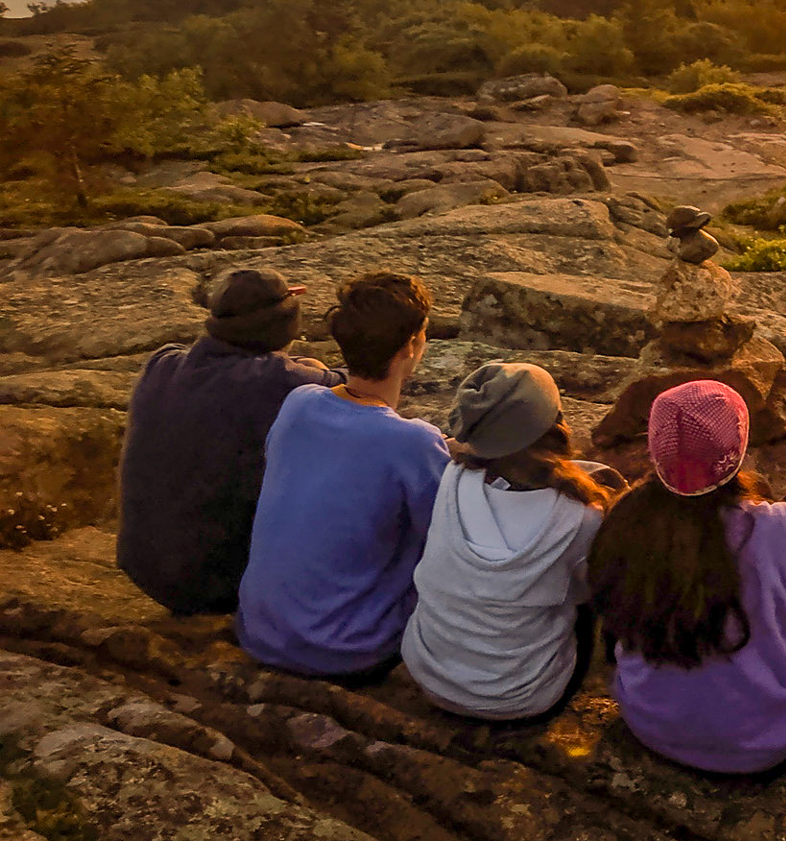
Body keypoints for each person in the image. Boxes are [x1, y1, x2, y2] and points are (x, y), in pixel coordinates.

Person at [589, 380, 786, 776]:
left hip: (647, 723)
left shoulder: (627, 517)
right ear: (737, 449)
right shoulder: (777, 528)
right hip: (764, 746)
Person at [234, 272, 448, 683]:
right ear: (413, 345)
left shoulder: (299, 403)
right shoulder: (414, 443)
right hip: (346, 650)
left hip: (260, 633)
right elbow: (445, 542)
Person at [117, 268, 344, 616]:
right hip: (220, 583)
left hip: (145, 568)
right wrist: (308, 366)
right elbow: (356, 388)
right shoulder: (276, 379)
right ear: (285, 324)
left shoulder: (161, 362)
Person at [402, 362, 621, 724]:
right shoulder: (580, 515)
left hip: (430, 676)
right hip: (524, 696)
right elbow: (587, 593)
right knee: (582, 596)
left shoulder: (452, 479)